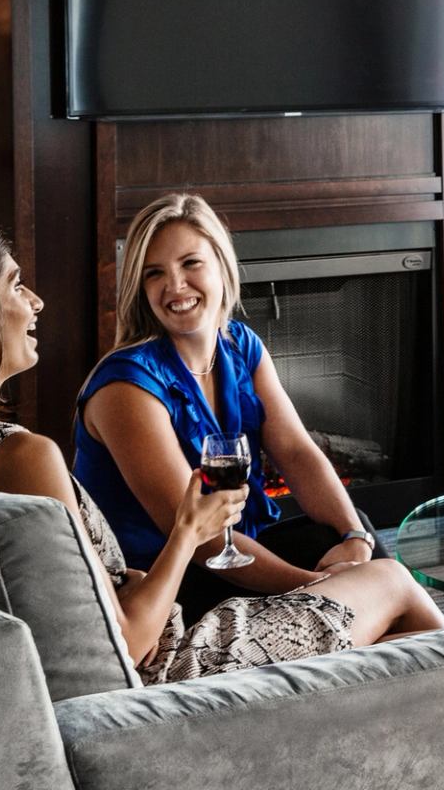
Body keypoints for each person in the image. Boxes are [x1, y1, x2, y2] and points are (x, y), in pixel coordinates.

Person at [0, 226, 444, 685]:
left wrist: (131, 580)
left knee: (366, 560)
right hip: (169, 666)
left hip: (155, 616)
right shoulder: (24, 455)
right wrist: (186, 532)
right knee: (392, 583)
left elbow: (82, 596)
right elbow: (120, 645)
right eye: (14, 285)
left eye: (191, 264)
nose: (36, 302)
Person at [74, 192, 390, 616]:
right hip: (162, 585)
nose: (175, 286)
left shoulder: (241, 346)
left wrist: (354, 539)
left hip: (238, 551)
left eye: (190, 263)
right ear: (140, 288)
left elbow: (296, 453)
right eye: (154, 274)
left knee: (350, 534)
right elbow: (199, 540)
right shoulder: (126, 387)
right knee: (370, 588)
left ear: (221, 265)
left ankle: (403, 660)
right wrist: (322, 587)